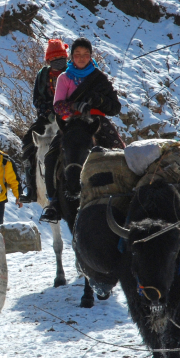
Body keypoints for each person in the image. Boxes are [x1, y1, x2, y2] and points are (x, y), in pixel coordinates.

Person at [40, 38, 124, 223]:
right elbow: (58, 107)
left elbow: (115, 107)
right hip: (71, 123)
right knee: (51, 157)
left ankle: (128, 194)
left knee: (121, 151)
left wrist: (98, 100)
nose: (81, 58)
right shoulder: (64, 78)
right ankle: (53, 203)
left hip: (97, 121)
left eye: (86, 54)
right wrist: (74, 105)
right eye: (77, 54)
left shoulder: (99, 78)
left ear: (91, 56)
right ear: (71, 56)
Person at [19, 39, 69, 202]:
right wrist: (47, 112)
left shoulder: (72, 72)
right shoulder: (43, 75)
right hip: (47, 116)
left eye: (62, 59)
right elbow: (37, 99)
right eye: (55, 60)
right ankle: (32, 187)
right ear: (48, 60)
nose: (59, 63)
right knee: (28, 141)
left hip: (69, 116)